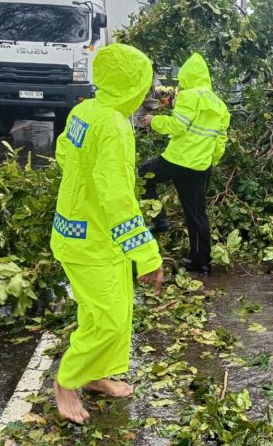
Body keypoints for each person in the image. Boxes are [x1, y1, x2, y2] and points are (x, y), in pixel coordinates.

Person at [51, 43, 164, 424]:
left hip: (83, 232)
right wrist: (147, 255)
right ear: (131, 85)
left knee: (106, 310)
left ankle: (95, 375)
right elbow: (118, 199)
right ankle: (67, 381)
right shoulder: (114, 127)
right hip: (92, 241)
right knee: (109, 319)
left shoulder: (86, 109)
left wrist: (80, 185)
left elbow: (64, 150)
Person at [139, 52, 230, 276]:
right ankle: (202, 263)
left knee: (143, 174)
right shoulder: (220, 105)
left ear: (187, 76)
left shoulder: (189, 96)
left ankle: (159, 220)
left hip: (176, 160)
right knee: (196, 214)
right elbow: (220, 141)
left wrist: (153, 121)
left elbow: (178, 126)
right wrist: (210, 162)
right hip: (199, 167)